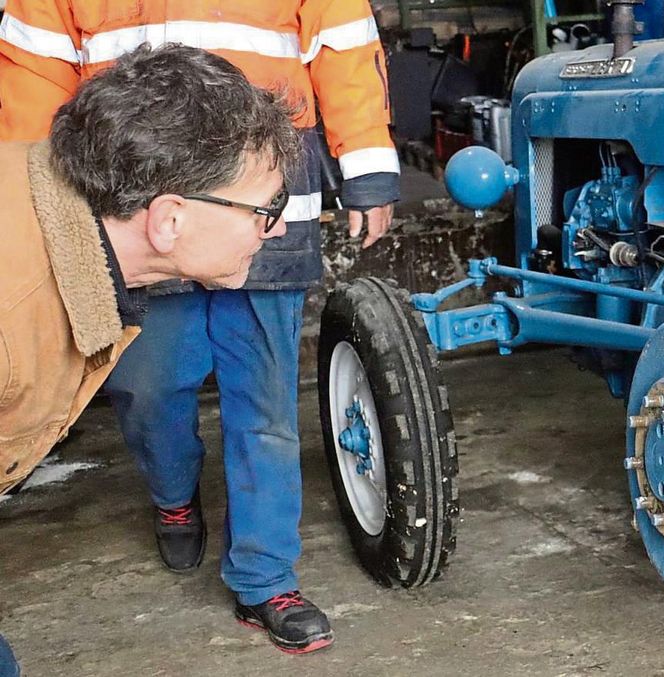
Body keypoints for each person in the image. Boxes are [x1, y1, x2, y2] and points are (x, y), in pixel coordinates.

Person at [0, 0, 402, 654]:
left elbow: (341, 34)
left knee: (265, 401)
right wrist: (31, 208)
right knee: (149, 387)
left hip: (256, 201)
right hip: (132, 206)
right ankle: (173, 494)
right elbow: (31, 68)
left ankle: (264, 574)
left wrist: (365, 157)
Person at [0, 43, 300, 670]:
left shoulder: (49, 220)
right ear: (169, 220)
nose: (275, 230)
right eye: (265, 209)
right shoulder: (14, 320)